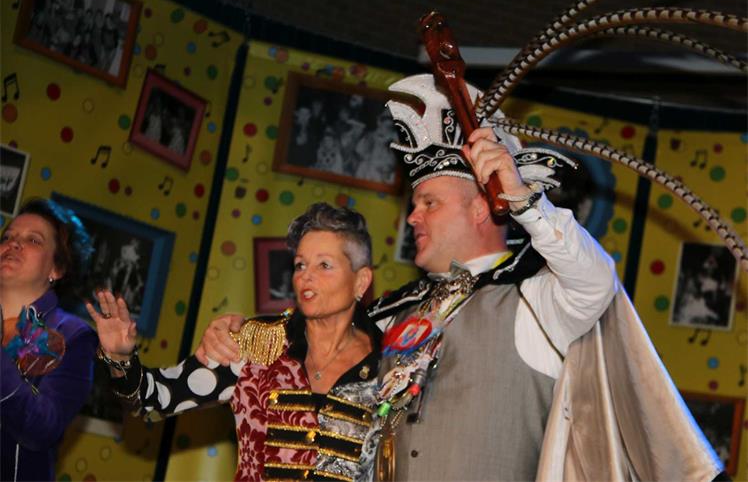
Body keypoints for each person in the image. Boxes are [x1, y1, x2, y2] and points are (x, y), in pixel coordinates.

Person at [199, 74, 724, 481]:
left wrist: (523, 199)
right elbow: (305, 344)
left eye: (429, 203)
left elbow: (594, 281)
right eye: (414, 204)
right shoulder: (394, 313)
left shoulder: (535, 304)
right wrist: (239, 336)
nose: (412, 217)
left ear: (480, 207)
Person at [88, 203, 382, 481]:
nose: (306, 277)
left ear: (361, 281)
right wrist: (120, 358)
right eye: (300, 265)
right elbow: (153, 401)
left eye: (324, 265)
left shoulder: (389, 368)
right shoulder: (258, 342)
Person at [1, 198, 97, 482]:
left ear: (57, 268)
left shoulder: (73, 335)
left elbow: (42, 429)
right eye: (7, 237)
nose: (13, 244)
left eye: (33, 240)